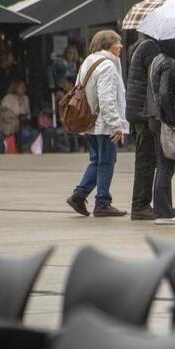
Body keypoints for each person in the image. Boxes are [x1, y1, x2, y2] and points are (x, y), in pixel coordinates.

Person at [65, 30, 129, 218]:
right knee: (107, 161)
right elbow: (107, 97)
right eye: (118, 42)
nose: (121, 46)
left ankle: (79, 195)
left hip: (90, 121)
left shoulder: (88, 61)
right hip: (103, 122)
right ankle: (102, 202)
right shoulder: (107, 65)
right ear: (107, 45)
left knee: (97, 160)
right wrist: (116, 124)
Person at [147, 39, 175, 225]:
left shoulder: (157, 59)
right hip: (164, 120)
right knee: (166, 166)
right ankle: (164, 211)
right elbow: (165, 94)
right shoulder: (169, 63)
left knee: (163, 165)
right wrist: (174, 119)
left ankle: (163, 208)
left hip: (154, 117)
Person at [125, 33, 162, 221]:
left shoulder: (142, 46)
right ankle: (140, 205)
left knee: (146, 158)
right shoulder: (150, 48)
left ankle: (141, 204)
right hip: (144, 112)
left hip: (140, 111)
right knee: (146, 159)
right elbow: (157, 75)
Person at [1, 79, 36, 152]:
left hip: (22, 124)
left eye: (24, 87)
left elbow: (28, 113)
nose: (24, 88)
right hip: (10, 125)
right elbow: (5, 114)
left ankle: (25, 147)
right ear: (16, 87)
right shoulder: (8, 98)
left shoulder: (25, 98)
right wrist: (15, 115)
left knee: (34, 133)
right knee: (24, 132)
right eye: (21, 86)